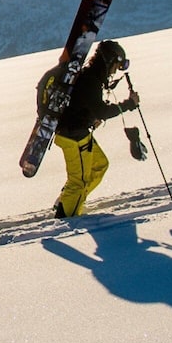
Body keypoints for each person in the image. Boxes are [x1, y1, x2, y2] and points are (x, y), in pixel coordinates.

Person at [49, 40, 138, 218]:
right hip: (74, 137)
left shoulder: (90, 76)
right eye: (117, 65)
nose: (115, 71)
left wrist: (92, 118)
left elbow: (84, 106)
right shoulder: (91, 80)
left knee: (99, 165)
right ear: (109, 61)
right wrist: (128, 104)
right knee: (79, 181)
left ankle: (66, 201)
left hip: (75, 132)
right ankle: (67, 218)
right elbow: (101, 111)